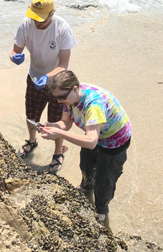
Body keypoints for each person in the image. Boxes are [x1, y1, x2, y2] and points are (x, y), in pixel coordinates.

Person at [39, 70, 132, 227]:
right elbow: (66, 123)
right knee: (86, 166)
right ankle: (85, 187)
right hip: (94, 135)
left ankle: (102, 210)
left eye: (61, 97)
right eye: (56, 98)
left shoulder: (93, 104)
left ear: (75, 88)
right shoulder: (69, 99)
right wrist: (53, 126)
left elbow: (90, 141)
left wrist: (59, 133)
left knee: (104, 180)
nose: (59, 101)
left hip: (114, 141)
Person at [9, 0, 78, 172]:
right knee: (31, 114)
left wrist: (48, 77)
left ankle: (57, 152)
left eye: (42, 18)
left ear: (52, 13)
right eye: (35, 17)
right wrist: (13, 57)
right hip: (34, 77)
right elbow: (15, 50)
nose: (37, 22)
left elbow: (63, 64)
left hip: (58, 82)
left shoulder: (62, 28)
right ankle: (32, 142)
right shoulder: (26, 24)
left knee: (56, 120)